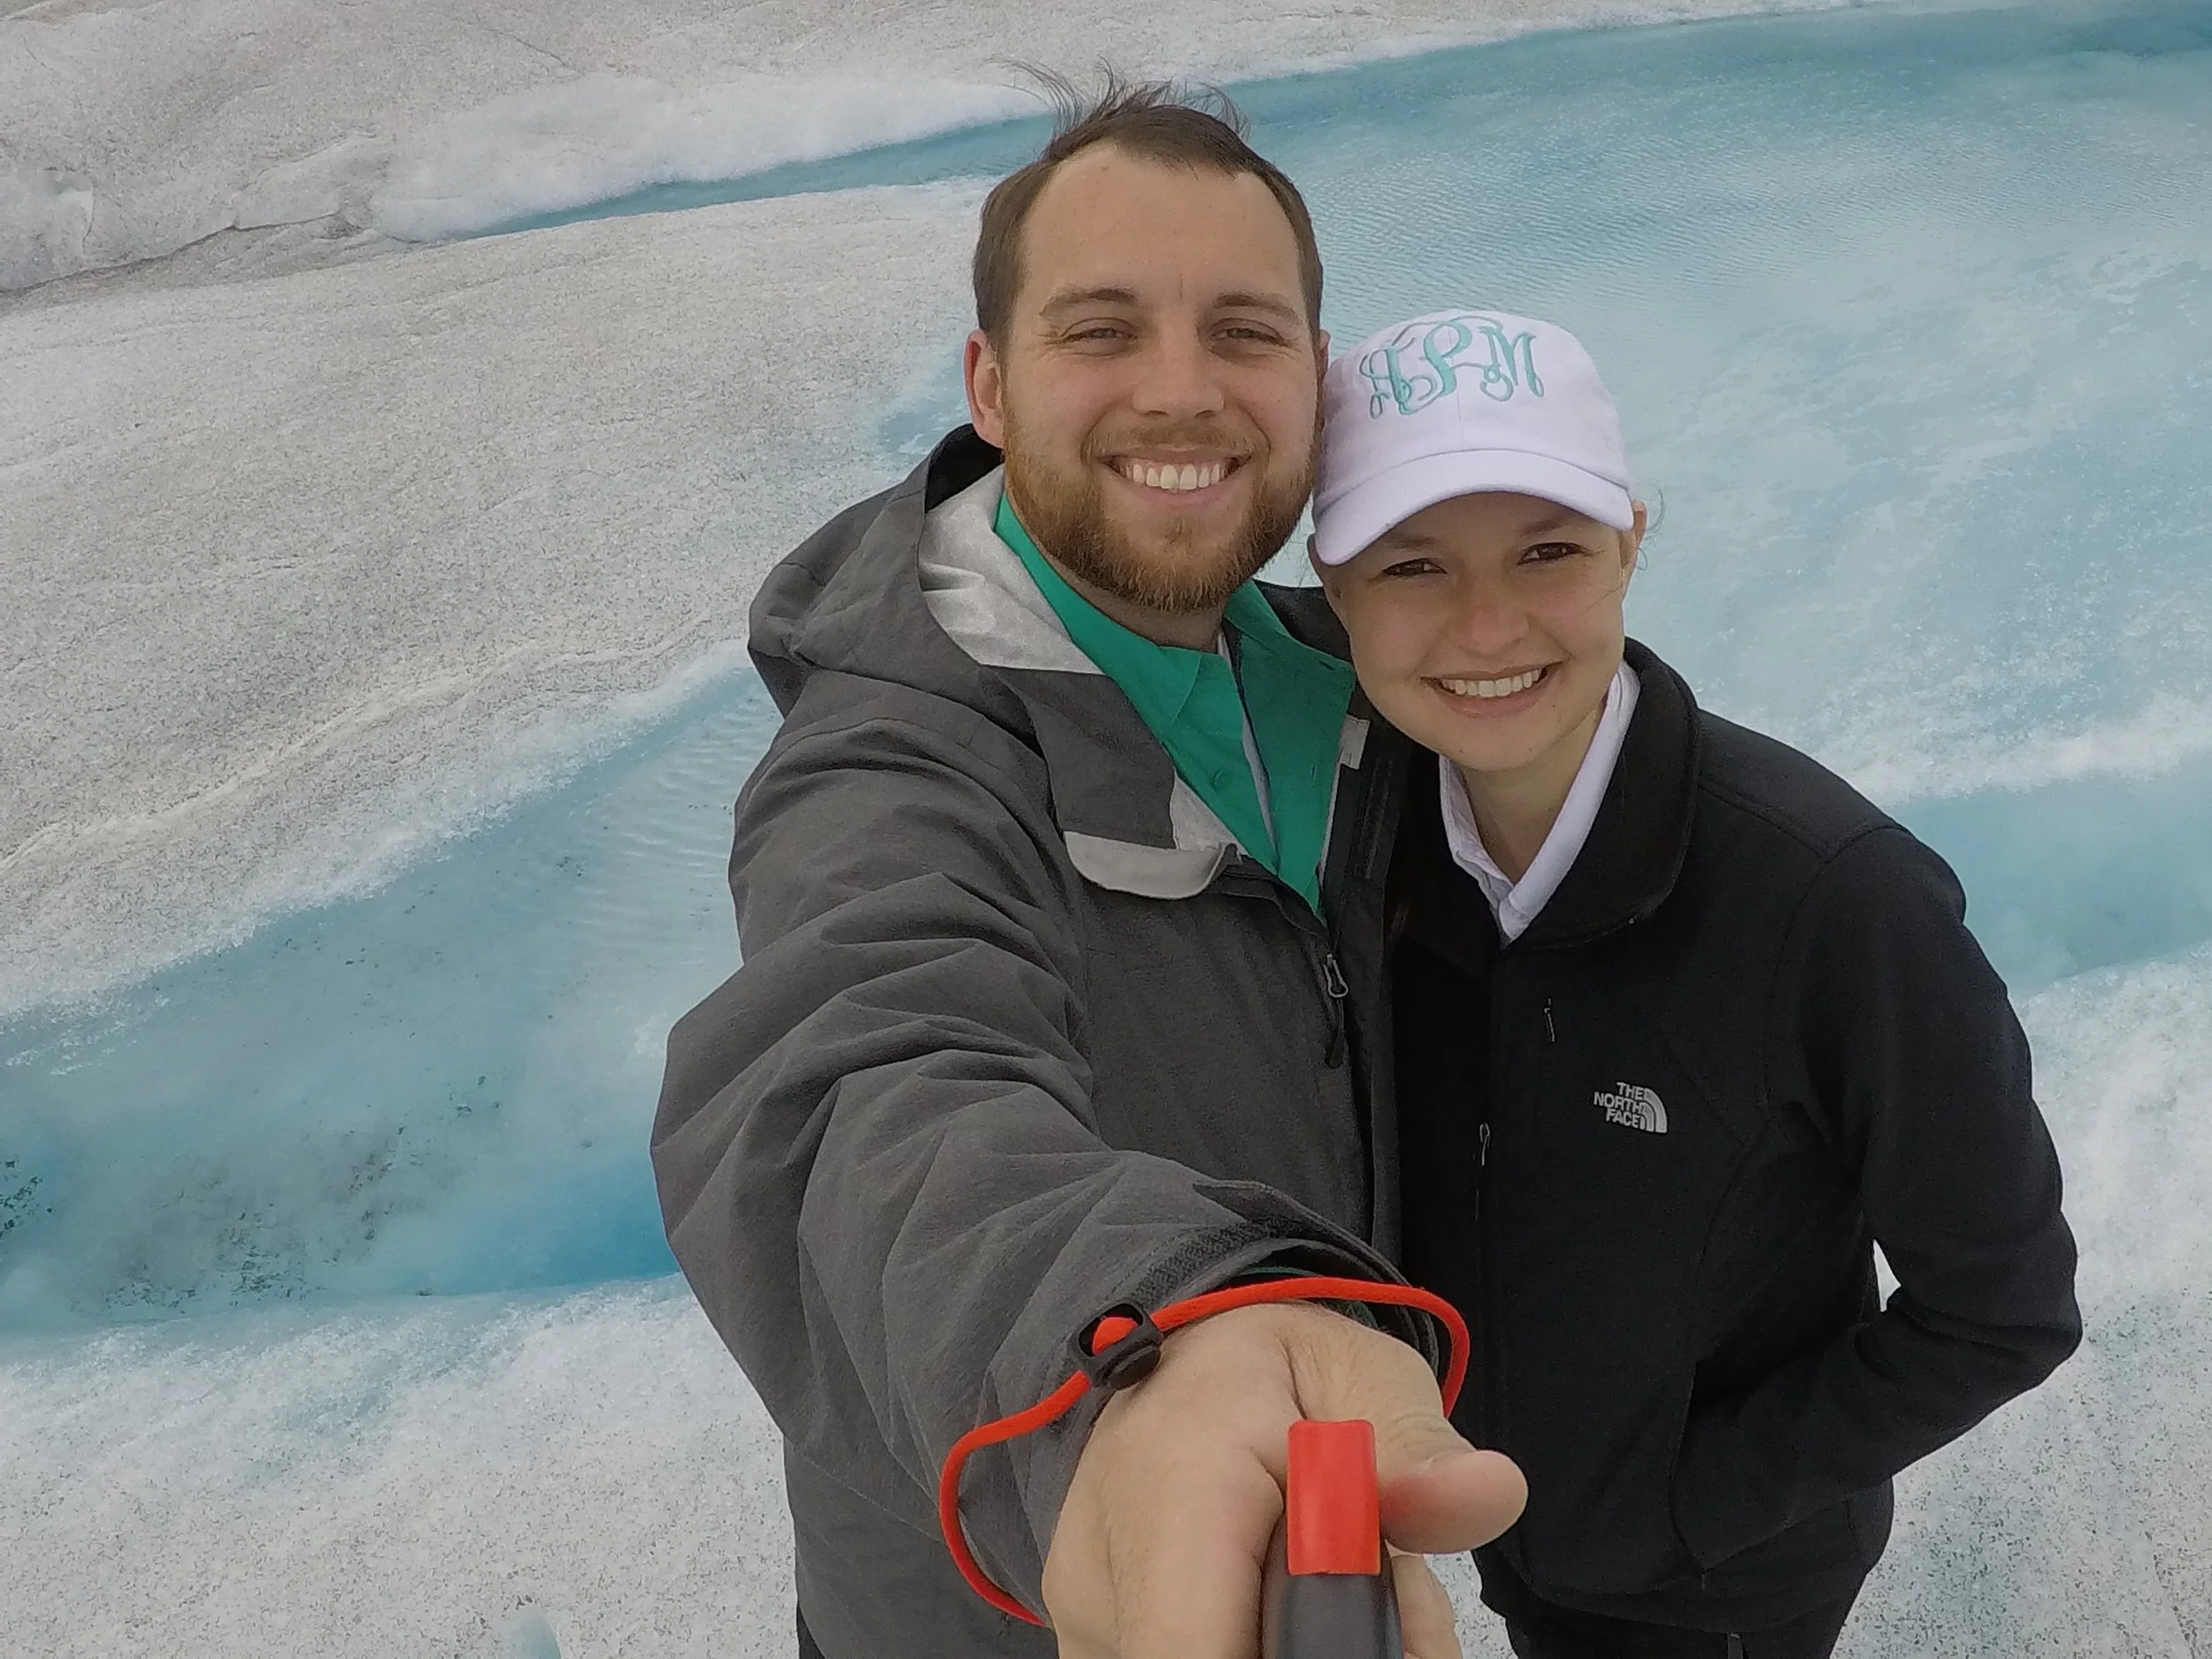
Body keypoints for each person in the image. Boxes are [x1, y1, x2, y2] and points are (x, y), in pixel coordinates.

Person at [650, 90, 1524, 1659]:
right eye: (1102, 330)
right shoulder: (897, 756)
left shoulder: (1351, 690)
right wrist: (1140, 1348)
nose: (1181, 391)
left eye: (1244, 332)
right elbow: (865, 1081)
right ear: (991, 385)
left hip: (1316, 1508)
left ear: (1316, 380)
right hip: (1013, 1600)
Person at [1306, 308, 2084, 1658]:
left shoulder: (1835, 900)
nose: (1485, 623)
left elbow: (2005, 1308)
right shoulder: (1371, 850)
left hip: (1718, 1594)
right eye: (1413, 564)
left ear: (1631, 541)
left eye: (1548, 550)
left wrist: (1681, 1502)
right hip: (1512, 1533)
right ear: (1333, 588)